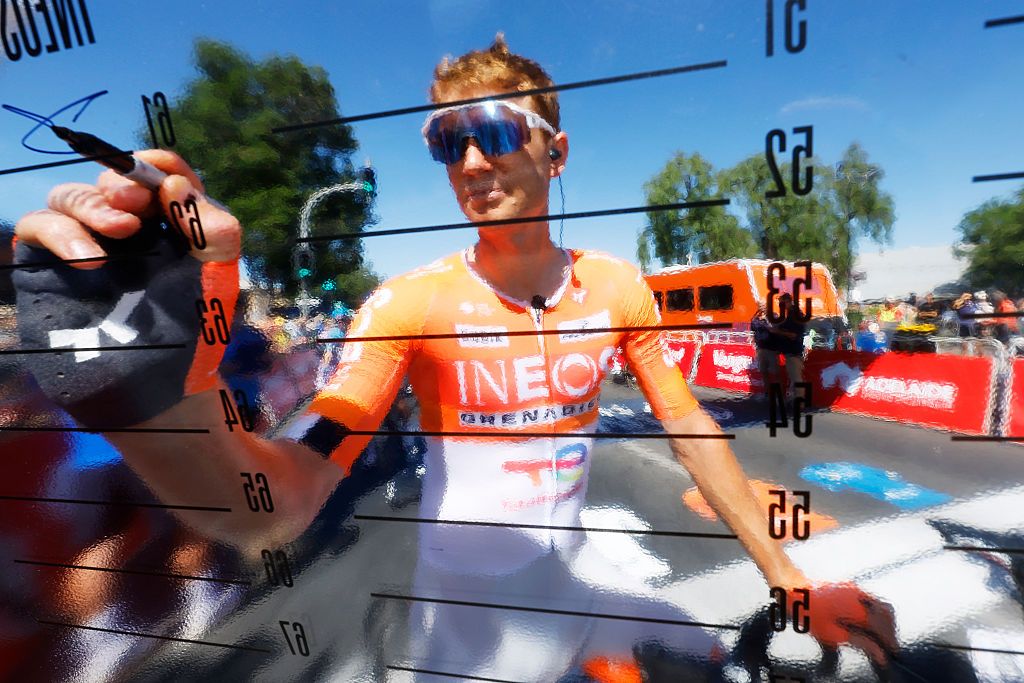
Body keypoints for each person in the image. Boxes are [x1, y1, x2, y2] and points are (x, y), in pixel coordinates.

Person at [13, 34, 897, 680]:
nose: (470, 160)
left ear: (556, 149)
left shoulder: (619, 289)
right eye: (445, 142)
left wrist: (786, 579)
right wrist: (154, 398)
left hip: (579, 589)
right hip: (469, 644)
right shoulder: (411, 302)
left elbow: (695, 433)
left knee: (722, 663)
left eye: (493, 132)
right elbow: (277, 504)